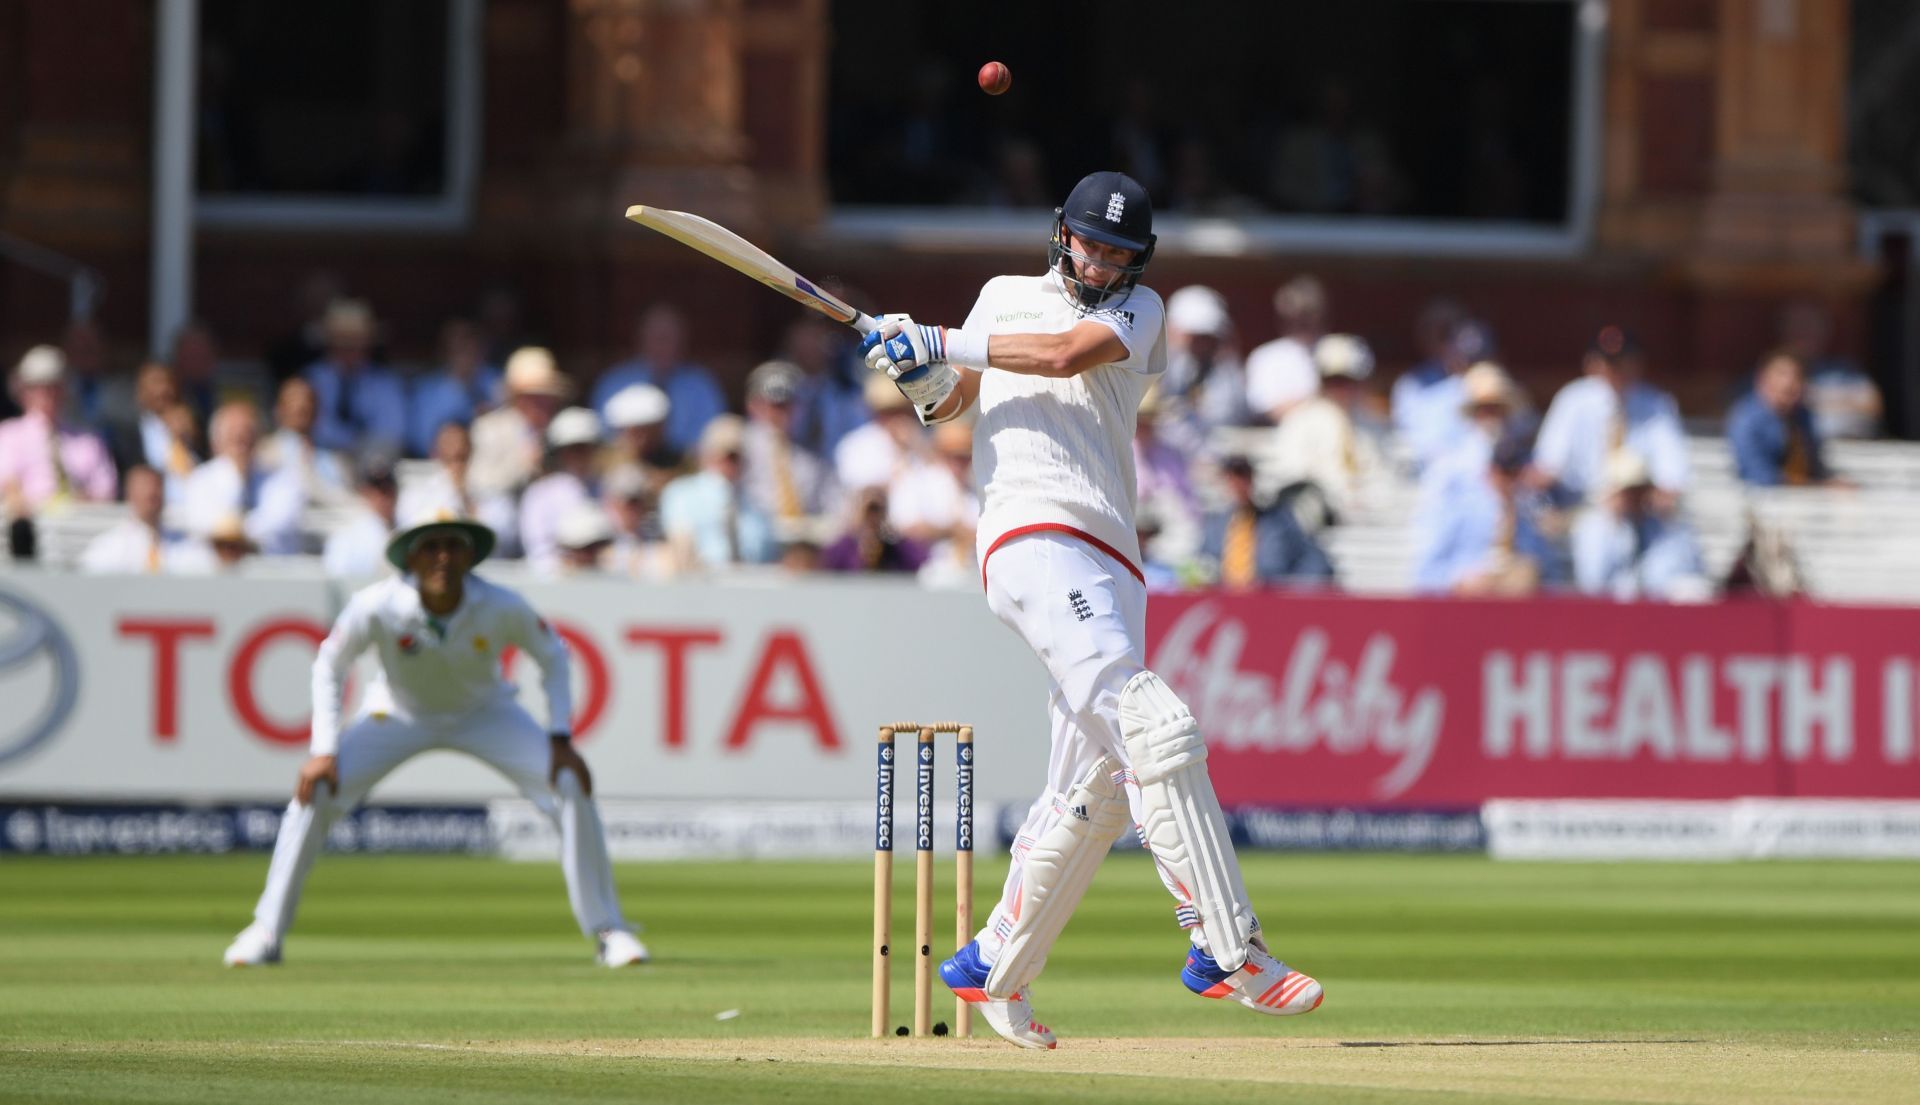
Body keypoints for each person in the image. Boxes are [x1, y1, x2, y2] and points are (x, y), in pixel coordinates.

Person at [857, 170, 1324, 1050]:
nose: (1101, 260)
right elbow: (963, 402)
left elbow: (1063, 355)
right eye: (1089, 242)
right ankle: (1229, 949)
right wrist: (923, 378)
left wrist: (940, 341)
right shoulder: (1001, 295)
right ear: (1059, 232)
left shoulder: (1139, 313)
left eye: (1118, 250)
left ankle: (994, 963)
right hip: (1031, 535)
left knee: (1102, 782)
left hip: (1111, 556)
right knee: (1160, 727)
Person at [222, 516, 646, 969]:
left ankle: (609, 931)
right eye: (431, 547)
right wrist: (323, 751)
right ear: (412, 557)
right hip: (398, 714)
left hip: (487, 713)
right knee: (316, 790)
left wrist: (560, 736)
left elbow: (553, 655)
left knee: (568, 783)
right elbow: (330, 664)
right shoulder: (377, 605)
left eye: (453, 546)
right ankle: (266, 930)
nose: (442, 557)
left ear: (469, 557)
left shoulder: (501, 605)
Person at [1532, 326, 1688, 505]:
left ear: (1638, 364)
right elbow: (1549, 462)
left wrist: (1644, 496)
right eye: (1610, 363)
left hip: (1638, 507)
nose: (1616, 370)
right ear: (1591, 364)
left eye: (1623, 362)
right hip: (1578, 502)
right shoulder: (1573, 399)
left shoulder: (1657, 404)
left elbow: (1673, 471)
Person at [1412, 431, 1561, 596]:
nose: (1511, 481)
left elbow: (1549, 576)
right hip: (1464, 608)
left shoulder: (1530, 513)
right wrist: (1461, 582)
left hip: (1515, 611)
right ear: (1491, 472)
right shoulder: (1461, 508)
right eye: (1506, 472)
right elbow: (1426, 573)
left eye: (1517, 473)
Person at [1270, 334, 1390, 522]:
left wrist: (1366, 499)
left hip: (1370, 521)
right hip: (1320, 523)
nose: (1341, 388)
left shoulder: (1372, 425)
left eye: (1347, 381)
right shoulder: (1299, 422)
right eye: (1333, 380)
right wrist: (1336, 499)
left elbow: (1382, 476)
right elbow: (1294, 478)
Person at [1571, 451, 1708, 601]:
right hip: (1610, 611)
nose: (1638, 497)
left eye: (1641, 491)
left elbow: (1687, 569)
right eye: (1630, 492)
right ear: (1613, 493)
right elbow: (1593, 583)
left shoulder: (1660, 526)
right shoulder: (1594, 529)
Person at [592, 304, 725, 458]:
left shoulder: (702, 385)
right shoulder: (614, 382)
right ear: (640, 338)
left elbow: (714, 435)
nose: (662, 344)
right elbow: (601, 433)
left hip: (686, 467)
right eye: (656, 337)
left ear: (683, 341)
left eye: (669, 338)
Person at [0, 345, 118, 514]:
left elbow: (106, 491)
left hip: (82, 527)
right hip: (29, 530)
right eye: (38, 386)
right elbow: (7, 485)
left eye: (55, 385)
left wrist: (83, 500)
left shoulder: (89, 439)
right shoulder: (7, 435)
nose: (48, 393)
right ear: (23, 391)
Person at [180, 400, 306, 555]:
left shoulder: (283, 478)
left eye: (247, 433)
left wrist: (234, 529)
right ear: (216, 441)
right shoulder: (200, 479)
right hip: (216, 570)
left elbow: (279, 521)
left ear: (258, 438)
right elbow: (203, 521)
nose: (241, 440)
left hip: (271, 569)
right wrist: (236, 476)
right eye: (232, 434)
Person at [1198, 455, 1336, 588]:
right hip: (1227, 605)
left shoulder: (1279, 522)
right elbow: (1201, 566)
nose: (1237, 485)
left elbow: (1316, 563)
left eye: (1242, 478)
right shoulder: (1213, 527)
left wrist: (1289, 589)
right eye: (1231, 479)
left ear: (1252, 480)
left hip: (1270, 603)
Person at [659, 414, 774, 570]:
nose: (729, 463)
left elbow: (765, 556)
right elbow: (681, 549)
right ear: (706, 455)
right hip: (698, 585)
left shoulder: (756, 507)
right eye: (725, 455)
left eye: (736, 457)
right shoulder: (680, 494)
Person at [396, 421, 519, 556]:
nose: (455, 451)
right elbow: (411, 533)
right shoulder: (416, 492)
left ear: (471, 450)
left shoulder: (492, 490)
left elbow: (503, 539)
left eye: (461, 456)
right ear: (435, 451)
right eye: (448, 446)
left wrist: (465, 499)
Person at [303, 299, 408, 454]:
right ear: (329, 341)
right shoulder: (311, 380)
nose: (349, 349)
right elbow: (310, 427)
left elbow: (393, 431)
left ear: (368, 343)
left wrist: (359, 448)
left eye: (355, 342)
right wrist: (348, 444)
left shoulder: (385, 384)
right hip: (319, 466)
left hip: (371, 466)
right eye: (342, 341)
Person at [739, 360, 838, 521]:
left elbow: (832, 503)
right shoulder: (740, 444)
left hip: (805, 536)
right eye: (772, 405)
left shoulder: (814, 449)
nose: (780, 414)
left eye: (787, 404)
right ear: (752, 405)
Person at [470, 347, 573, 498]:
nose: (544, 403)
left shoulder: (561, 430)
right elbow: (480, 484)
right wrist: (523, 466)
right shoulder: (490, 429)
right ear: (518, 398)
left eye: (548, 396)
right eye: (535, 396)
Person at [1727, 351, 1838, 487]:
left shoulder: (1804, 416)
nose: (1789, 383)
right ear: (1762, 379)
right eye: (1782, 374)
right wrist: (1819, 486)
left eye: (1796, 376)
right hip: (1762, 502)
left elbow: (1814, 466)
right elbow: (1759, 476)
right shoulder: (1746, 419)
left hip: (1808, 499)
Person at [1158, 285, 1250, 445]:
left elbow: (1232, 416)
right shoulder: (1153, 366)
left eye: (1207, 336)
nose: (1202, 343)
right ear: (1173, 329)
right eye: (1194, 335)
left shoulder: (1226, 370)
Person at [519, 407, 604, 570]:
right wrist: (565, 564)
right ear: (560, 451)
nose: (579, 454)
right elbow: (537, 550)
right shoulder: (539, 494)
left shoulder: (607, 487)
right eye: (573, 448)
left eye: (585, 447)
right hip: (558, 580)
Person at [407, 319, 501, 458]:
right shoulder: (427, 389)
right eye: (458, 345)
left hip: (490, 462)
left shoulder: (496, 381)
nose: (465, 352)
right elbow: (420, 441)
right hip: (440, 465)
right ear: (445, 350)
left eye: (469, 342)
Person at [79, 465, 196, 574]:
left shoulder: (186, 546)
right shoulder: (108, 548)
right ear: (129, 494)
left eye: (157, 489)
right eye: (144, 488)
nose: (151, 493)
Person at [256, 377, 352, 508]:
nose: (302, 407)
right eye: (294, 405)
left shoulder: (335, 454)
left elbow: (349, 491)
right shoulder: (264, 452)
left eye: (308, 405)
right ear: (279, 411)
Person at [1242, 275, 1327, 424]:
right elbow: (1268, 409)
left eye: (1308, 313)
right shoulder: (1265, 356)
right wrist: (1320, 401)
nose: (1302, 320)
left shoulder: (1337, 348)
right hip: (1281, 441)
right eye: (1296, 314)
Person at [835, 374, 920, 494]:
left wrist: (917, 447)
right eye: (890, 411)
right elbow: (866, 495)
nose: (899, 418)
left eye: (903, 410)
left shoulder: (919, 442)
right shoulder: (855, 445)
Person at [322, 451, 401, 578]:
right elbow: (335, 579)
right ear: (365, 492)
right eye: (377, 489)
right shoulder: (347, 536)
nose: (384, 496)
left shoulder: (404, 528)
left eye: (388, 489)